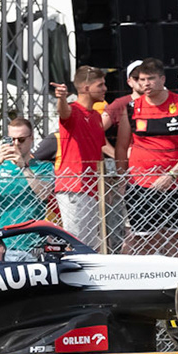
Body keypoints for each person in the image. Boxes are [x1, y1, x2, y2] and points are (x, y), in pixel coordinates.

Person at [110, 59, 178, 256]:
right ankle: (144, 274)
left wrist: (172, 175)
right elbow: (121, 146)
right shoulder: (132, 107)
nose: (146, 84)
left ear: (162, 79)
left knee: (174, 239)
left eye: (151, 79)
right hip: (140, 183)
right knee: (143, 239)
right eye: (142, 79)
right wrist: (122, 176)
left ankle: (174, 274)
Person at [51, 67, 114, 245]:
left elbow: (98, 153)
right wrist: (61, 98)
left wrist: (104, 185)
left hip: (92, 187)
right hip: (74, 186)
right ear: (86, 88)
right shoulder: (73, 110)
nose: (105, 88)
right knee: (77, 242)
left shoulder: (96, 117)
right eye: (100, 85)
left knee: (90, 243)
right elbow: (64, 112)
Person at [0, 117, 51, 249]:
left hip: (31, 243)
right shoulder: (1, 167)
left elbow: (44, 194)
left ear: (31, 138)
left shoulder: (42, 167)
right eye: (11, 140)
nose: (16, 144)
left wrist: (23, 167)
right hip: (3, 242)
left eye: (21, 140)